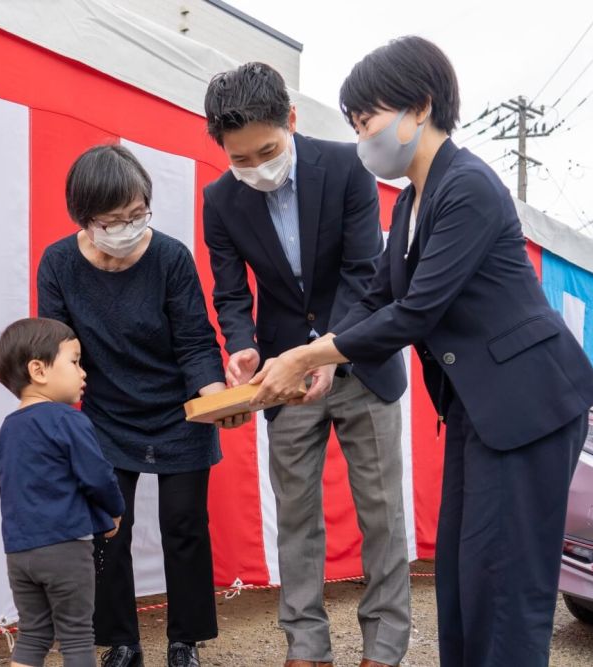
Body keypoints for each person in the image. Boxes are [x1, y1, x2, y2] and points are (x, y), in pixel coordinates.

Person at [250, 37, 593, 667]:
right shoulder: (415, 202)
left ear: (418, 108)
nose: (363, 138)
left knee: (506, 582)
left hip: (529, 403)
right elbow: (375, 296)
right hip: (480, 408)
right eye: (357, 126)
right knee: (465, 577)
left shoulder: (468, 186)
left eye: (368, 121)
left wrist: (307, 360)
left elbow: (415, 312)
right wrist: (319, 354)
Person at [201, 62, 410, 667]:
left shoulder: (347, 166)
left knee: (382, 515)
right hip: (280, 379)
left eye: (266, 150)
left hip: (362, 363)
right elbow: (231, 291)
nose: (255, 168)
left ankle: (386, 647)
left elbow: (366, 272)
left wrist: (325, 351)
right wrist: (241, 342)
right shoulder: (220, 200)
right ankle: (306, 648)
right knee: (295, 517)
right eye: (240, 159)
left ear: (291, 121)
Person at [38, 144, 239, 667]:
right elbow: (60, 347)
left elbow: (196, 341)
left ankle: (184, 641)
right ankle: (121, 641)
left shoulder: (171, 256)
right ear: (85, 217)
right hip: (107, 414)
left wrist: (215, 397)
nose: (129, 227)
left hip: (180, 410)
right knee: (109, 528)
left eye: (138, 214)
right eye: (115, 219)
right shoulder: (58, 263)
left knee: (184, 524)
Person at [0, 317, 126, 667]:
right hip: (65, 548)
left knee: (34, 634)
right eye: (75, 361)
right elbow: (97, 475)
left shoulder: (7, 429)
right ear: (38, 370)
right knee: (77, 637)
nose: (83, 373)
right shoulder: (68, 419)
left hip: (19, 552)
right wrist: (114, 510)